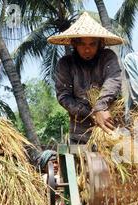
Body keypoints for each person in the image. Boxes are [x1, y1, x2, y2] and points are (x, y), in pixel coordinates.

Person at [49, 12, 123, 144]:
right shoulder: (65, 64)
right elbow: (63, 96)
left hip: (112, 129)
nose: (87, 50)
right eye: (82, 44)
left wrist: (100, 107)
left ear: (100, 44)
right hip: (80, 135)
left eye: (92, 44)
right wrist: (92, 114)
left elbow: (113, 80)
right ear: (74, 44)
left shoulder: (108, 57)